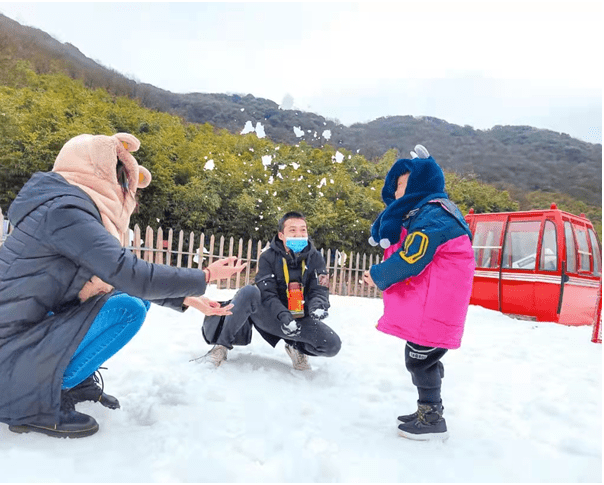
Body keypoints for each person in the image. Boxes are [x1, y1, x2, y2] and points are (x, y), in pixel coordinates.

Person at [0, 132, 245, 439]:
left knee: (122, 297)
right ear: (95, 170)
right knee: (128, 309)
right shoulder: (64, 212)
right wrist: (204, 277)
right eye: (123, 182)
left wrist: (186, 298)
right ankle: (38, 403)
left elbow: (116, 277)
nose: (129, 197)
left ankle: (72, 381)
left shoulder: (60, 208)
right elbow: (129, 273)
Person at [363, 145, 475, 441]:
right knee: (424, 356)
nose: (397, 192)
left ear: (420, 183)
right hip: (437, 303)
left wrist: (378, 276)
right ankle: (427, 408)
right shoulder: (433, 212)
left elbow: (413, 257)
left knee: (419, 359)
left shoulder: (433, 216)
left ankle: (432, 418)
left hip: (435, 306)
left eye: (403, 185)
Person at [200, 212, 341, 370]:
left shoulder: (317, 258)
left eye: (303, 230)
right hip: (270, 315)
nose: (299, 234)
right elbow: (267, 294)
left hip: (299, 317)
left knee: (332, 345)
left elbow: (321, 287)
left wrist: (318, 305)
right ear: (281, 235)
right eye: (293, 230)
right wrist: (283, 315)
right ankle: (221, 347)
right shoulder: (268, 257)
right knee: (249, 291)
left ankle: (295, 347)